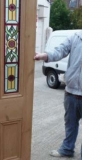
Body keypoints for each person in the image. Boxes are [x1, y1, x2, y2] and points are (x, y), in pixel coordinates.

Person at [34, 30, 82, 158]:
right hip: (71, 92)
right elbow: (59, 51)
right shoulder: (76, 36)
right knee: (70, 124)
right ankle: (67, 149)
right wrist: (43, 55)